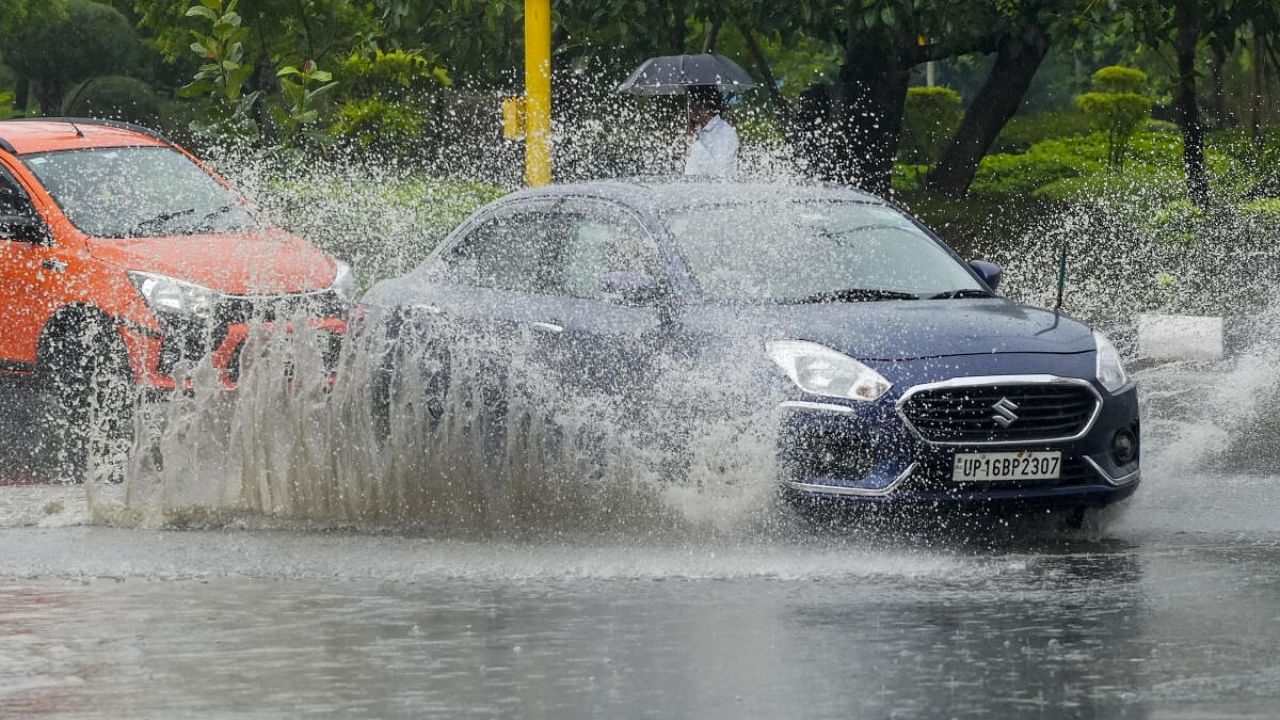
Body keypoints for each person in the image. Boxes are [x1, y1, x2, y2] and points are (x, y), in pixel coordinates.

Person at [683, 85, 738, 176]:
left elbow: (718, 172)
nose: (688, 108)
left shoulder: (725, 133)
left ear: (703, 105)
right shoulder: (698, 130)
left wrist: (695, 143)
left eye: (691, 103)